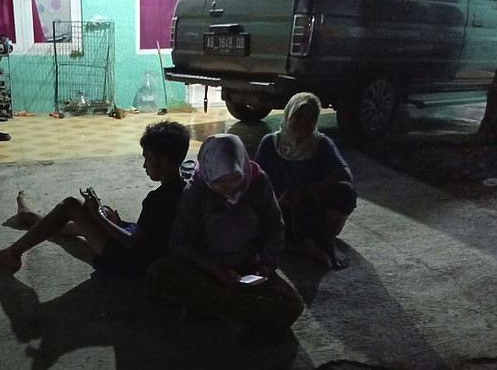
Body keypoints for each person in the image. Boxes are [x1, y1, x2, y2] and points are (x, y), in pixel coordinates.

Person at [0, 121, 191, 277]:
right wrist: (110, 221)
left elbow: (132, 243)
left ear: (163, 161)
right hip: (151, 248)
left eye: (147, 158)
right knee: (89, 219)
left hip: (133, 262)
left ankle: (13, 253)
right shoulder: (185, 188)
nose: (144, 165)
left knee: (71, 206)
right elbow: (154, 231)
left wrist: (98, 216)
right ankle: (31, 217)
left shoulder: (157, 199)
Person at [147, 134, 303, 332]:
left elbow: (275, 227)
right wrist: (215, 269)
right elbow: (179, 243)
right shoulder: (196, 191)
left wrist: (266, 264)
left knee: (291, 305)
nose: (229, 186)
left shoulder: (258, 182)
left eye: (235, 177)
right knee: (159, 272)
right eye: (220, 181)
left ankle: (214, 309)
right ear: (209, 174)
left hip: (249, 269)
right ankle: (237, 313)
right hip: (207, 271)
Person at [254, 92, 357, 270]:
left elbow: (345, 174)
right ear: (288, 114)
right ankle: (305, 247)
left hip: (310, 210)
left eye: (310, 117)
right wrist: (275, 200)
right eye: (299, 115)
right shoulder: (270, 143)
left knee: (345, 191)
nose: (304, 122)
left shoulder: (320, 143)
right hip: (279, 210)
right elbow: (257, 181)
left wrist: (304, 192)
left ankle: (327, 241)